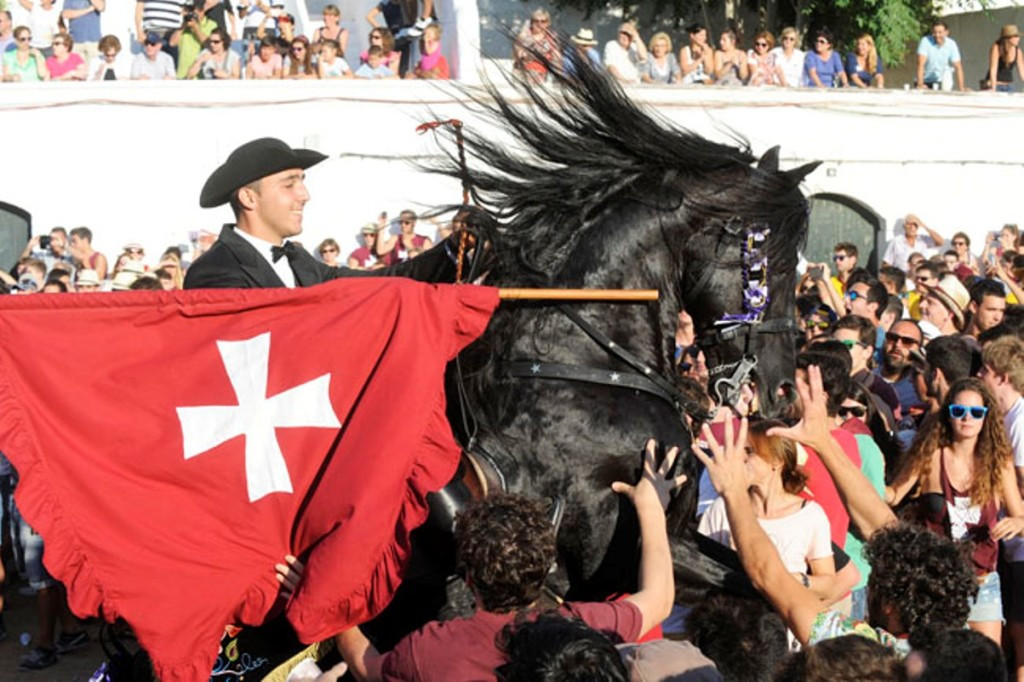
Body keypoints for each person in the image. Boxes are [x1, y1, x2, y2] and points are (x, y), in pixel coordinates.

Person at [336, 441, 681, 681]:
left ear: (469, 577)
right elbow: (660, 599)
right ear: (548, 565)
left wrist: (334, 607)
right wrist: (651, 505)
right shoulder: (584, 624)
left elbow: (367, 668)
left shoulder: (429, 650)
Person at [693, 367, 977, 656]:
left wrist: (733, 492)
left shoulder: (867, 655)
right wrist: (823, 442)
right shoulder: (966, 652)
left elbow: (770, 576)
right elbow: (887, 532)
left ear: (890, 606)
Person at [184, 137, 463, 290]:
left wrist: (456, 248)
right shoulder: (214, 272)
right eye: (289, 183)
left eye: (302, 181)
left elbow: (386, 282)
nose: (304, 195)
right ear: (248, 197)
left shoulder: (300, 260)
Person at [886, 378, 1024, 644]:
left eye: (976, 412)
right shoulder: (930, 455)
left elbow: (1019, 515)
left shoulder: (998, 462)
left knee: (986, 664)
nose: (966, 419)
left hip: (982, 582)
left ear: (986, 417)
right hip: (935, 581)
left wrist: (1016, 524)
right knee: (937, 661)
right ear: (948, 415)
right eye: (958, 411)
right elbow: (893, 494)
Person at [698, 420, 841, 602]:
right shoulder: (722, 508)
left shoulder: (809, 515)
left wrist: (794, 580)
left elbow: (829, 585)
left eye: (749, 451)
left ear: (776, 461)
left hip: (782, 626)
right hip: (732, 622)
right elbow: (700, 571)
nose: (740, 458)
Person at [979, 337, 1024, 679]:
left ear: (1003, 378)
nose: (979, 376)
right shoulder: (1009, 418)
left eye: (985, 371)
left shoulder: (1020, 421)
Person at [917, 19, 965, 91]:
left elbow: (958, 67)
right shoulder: (925, 41)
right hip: (925, 82)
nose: (937, 35)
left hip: (941, 82)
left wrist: (962, 87)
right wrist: (920, 84)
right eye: (935, 32)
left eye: (940, 32)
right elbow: (920, 64)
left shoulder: (951, 44)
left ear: (946, 32)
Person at [513, 8, 558, 83]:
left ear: (548, 23)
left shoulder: (551, 38)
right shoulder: (524, 36)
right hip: (524, 75)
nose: (539, 24)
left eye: (543, 21)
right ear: (531, 22)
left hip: (543, 77)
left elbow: (556, 59)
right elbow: (516, 56)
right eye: (536, 21)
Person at [175, 0, 216, 79]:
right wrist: (183, 27)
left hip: (200, 76)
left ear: (201, 11)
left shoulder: (211, 24)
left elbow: (209, 45)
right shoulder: (183, 25)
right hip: (182, 75)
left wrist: (195, 28)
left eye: (192, 10)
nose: (190, 13)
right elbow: (172, 43)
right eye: (189, 10)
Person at [61, 0, 103, 64]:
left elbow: (101, 7)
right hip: (76, 41)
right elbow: (65, 14)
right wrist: (90, 9)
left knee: (96, 70)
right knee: (77, 70)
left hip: (94, 40)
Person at [987, 25, 1024, 92]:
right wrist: (993, 88)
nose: (1018, 39)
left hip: (1009, 86)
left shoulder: (1018, 51)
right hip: (995, 84)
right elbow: (993, 69)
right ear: (1008, 38)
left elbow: (1022, 70)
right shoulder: (997, 48)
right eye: (1015, 36)